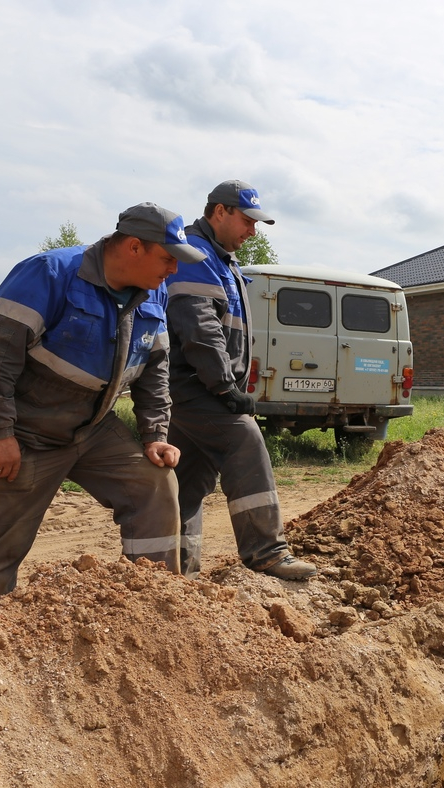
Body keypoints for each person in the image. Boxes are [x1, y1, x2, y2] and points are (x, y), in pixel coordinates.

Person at [0, 203, 201, 603]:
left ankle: (153, 606)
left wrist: (155, 434)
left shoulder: (155, 292)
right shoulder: (50, 273)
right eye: (168, 258)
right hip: (20, 429)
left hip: (90, 427)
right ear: (134, 247)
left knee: (153, 481)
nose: (173, 270)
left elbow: (155, 367)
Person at [165, 180, 317, 581]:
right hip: (194, 387)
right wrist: (224, 388)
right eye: (247, 221)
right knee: (244, 440)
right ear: (220, 212)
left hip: (196, 386)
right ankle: (266, 552)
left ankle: (177, 572)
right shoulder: (196, 257)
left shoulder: (221, 259)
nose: (252, 231)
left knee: (187, 483)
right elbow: (200, 331)